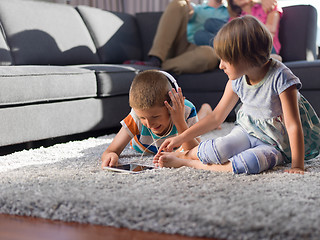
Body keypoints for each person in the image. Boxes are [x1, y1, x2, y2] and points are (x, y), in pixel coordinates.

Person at [153, 16, 320, 175]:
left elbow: (293, 124)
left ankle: (186, 162)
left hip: (276, 144)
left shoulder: (281, 77)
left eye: (225, 60)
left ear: (246, 57)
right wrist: (180, 138)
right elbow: (216, 117)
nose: (220, 66)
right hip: (246, 132)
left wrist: (297, 165)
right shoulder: (237, 80)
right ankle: (182, 155)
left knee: (248, 164)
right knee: (217, 150)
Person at [126, 0, 277, 74]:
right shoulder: (196, 8)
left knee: (210, 53)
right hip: (178, 44)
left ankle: (155, 68)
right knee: (178, 3)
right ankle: (156, 59)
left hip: (198, 53)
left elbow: (249, 22)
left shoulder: (232, 12)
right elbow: (181, 10)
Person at [101, 70, 200, 168]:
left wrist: (179, 122)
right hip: (143, 147)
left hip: (181, 127)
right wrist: (111, 155)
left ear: (171, 105)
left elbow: (197, 153)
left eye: (155, 117)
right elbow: (110, 151)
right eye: (142, 118)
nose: (149, 125)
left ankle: (205, 110)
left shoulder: (186, 110)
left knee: (199, 123)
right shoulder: (135, 116)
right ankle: (204, 112)